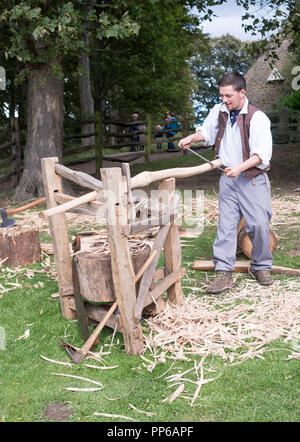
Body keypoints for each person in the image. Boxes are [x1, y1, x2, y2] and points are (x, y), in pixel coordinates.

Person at [179, 71, 274, 293]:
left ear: (242, 93)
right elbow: (207, 132)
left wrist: (239, 168)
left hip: (252, 179)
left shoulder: (258, 118)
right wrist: (191, 139)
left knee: (259, 225)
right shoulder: (219, 110)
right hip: (228, 180)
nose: (224, 99)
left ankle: (260, 266)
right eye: (221, 95)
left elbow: (261, 156)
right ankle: (223, 272)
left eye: (228, 95)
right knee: (226, 226)